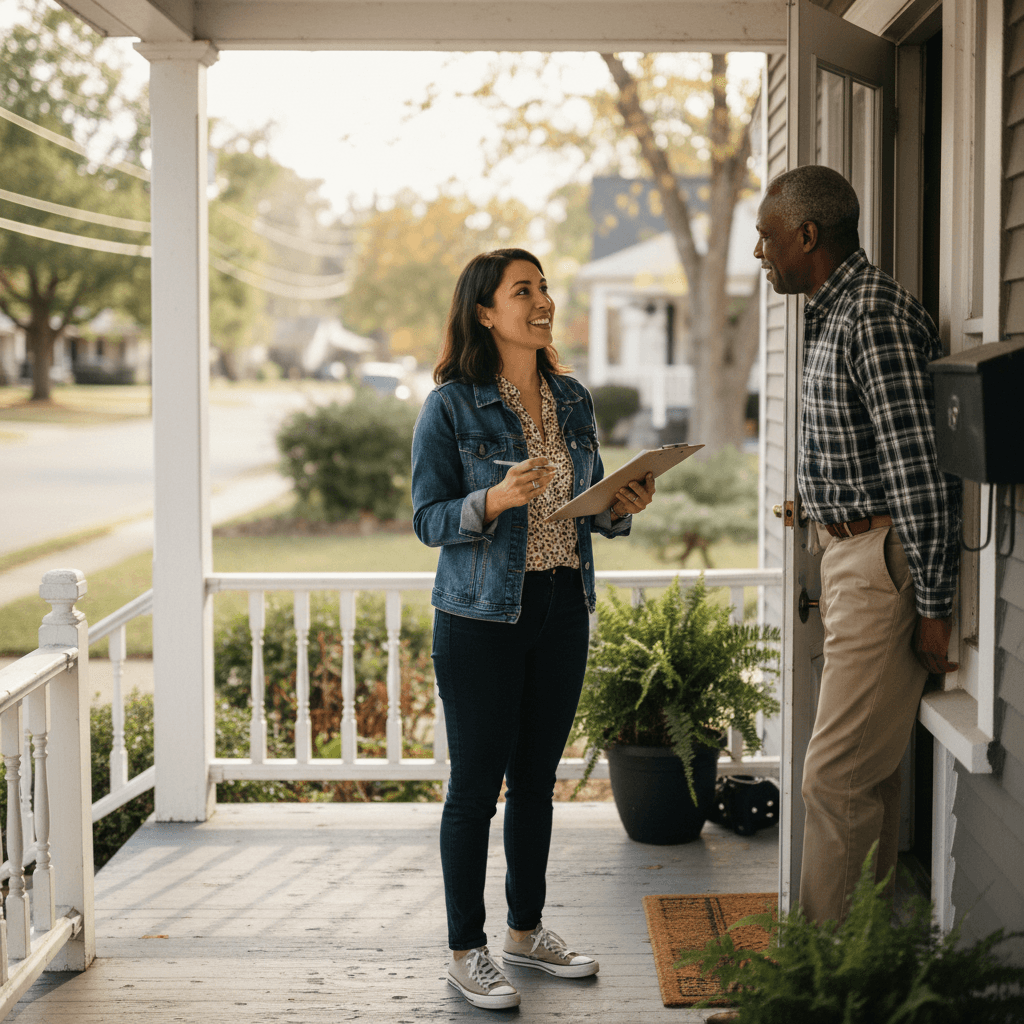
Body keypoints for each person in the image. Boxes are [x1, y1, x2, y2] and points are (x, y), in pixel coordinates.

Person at [411, 248, 656, 1010]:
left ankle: (524, 933)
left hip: (559, 608)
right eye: (524, 290)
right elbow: (427, 519)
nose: (542, 300)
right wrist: (491, 501)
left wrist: (620, 505)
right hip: (480, 618)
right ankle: (465, 950)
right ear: (486, 311)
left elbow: (589, 506)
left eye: (544, 287)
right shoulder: (451, 406)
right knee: (474, 791)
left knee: (537, 787)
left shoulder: (572, 397)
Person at [754, 165, 961, 925]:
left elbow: (919, 474)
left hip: (880, 562)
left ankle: (811, 994)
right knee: (867, 784)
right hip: (850, 558)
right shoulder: (831, 312)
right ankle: (858, 981)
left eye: (767, 236)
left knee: (832, 779)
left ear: (808, 236)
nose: (759, 251)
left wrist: (933, 607)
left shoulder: (870, 315)